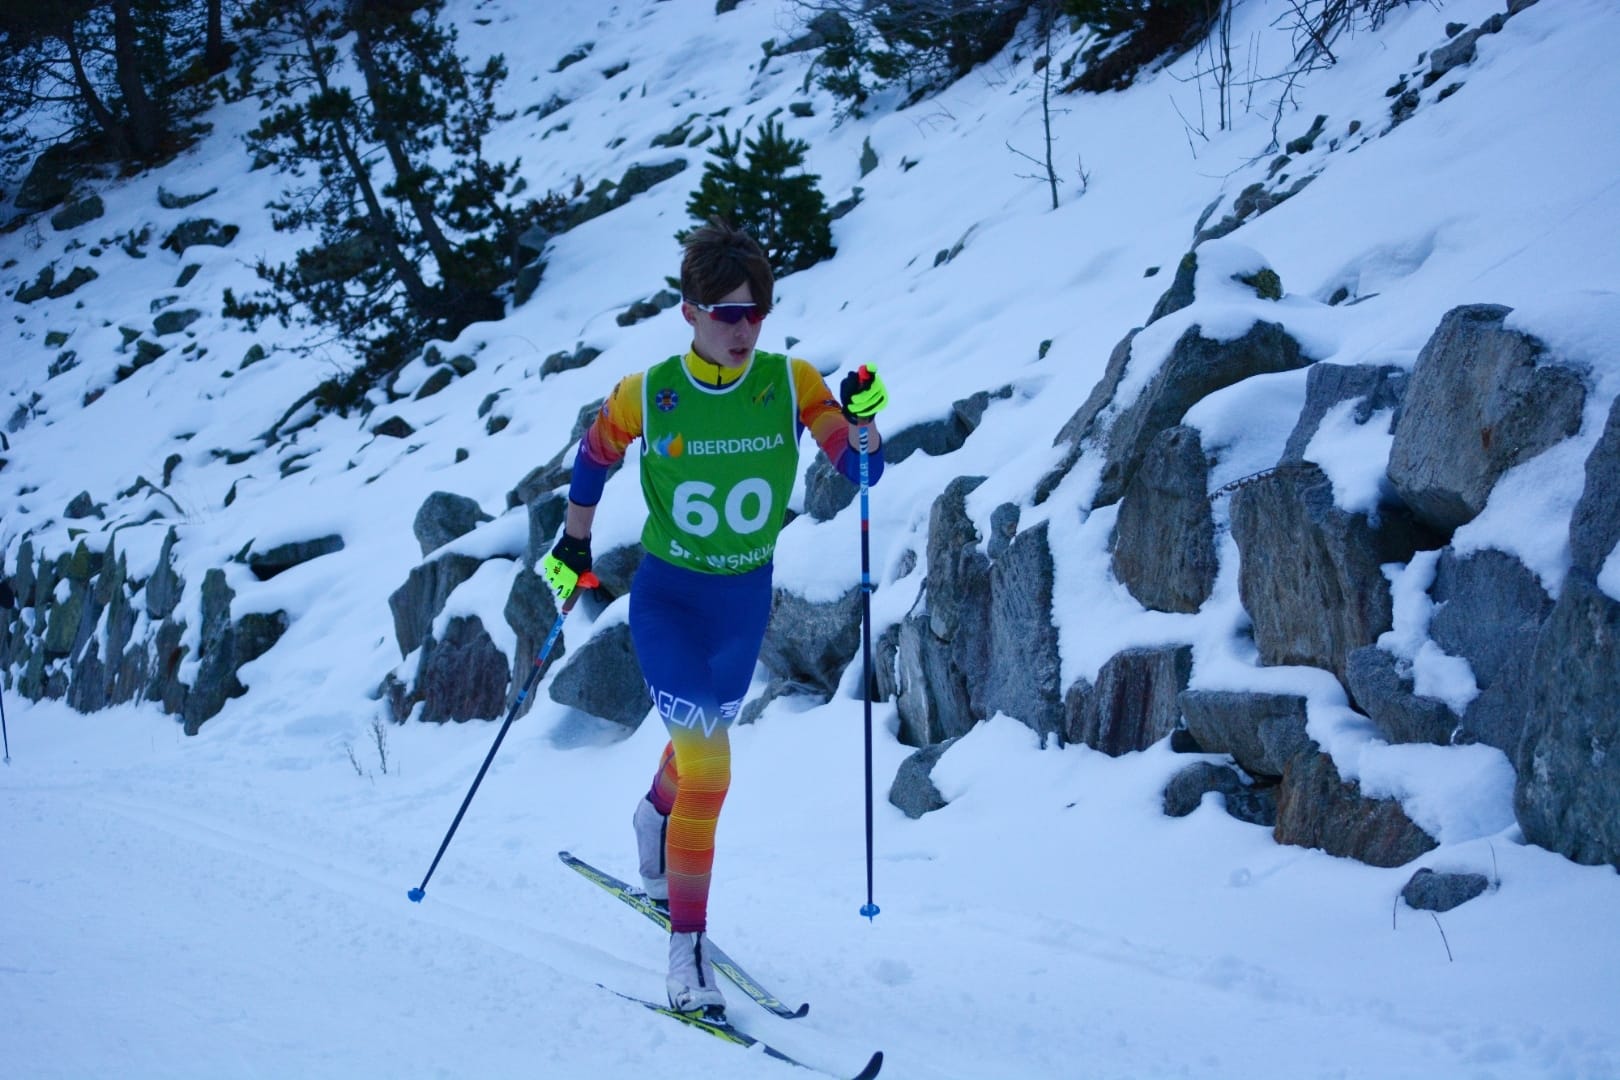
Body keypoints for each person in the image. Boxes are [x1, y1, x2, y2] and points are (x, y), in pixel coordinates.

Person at [541, 219, 889, 1015]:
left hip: (742, 608)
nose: (740, 328)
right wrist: (574, 541)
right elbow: (596, 453)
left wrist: (864, 422)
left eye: (754, 312)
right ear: (689, 311)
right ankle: (685, 952)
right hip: (669, 603)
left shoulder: (792, 383)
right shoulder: (649, 393)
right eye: (723, 311)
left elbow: (859, 466)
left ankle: (651, 818)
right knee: (712, 769)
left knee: (699, 754)